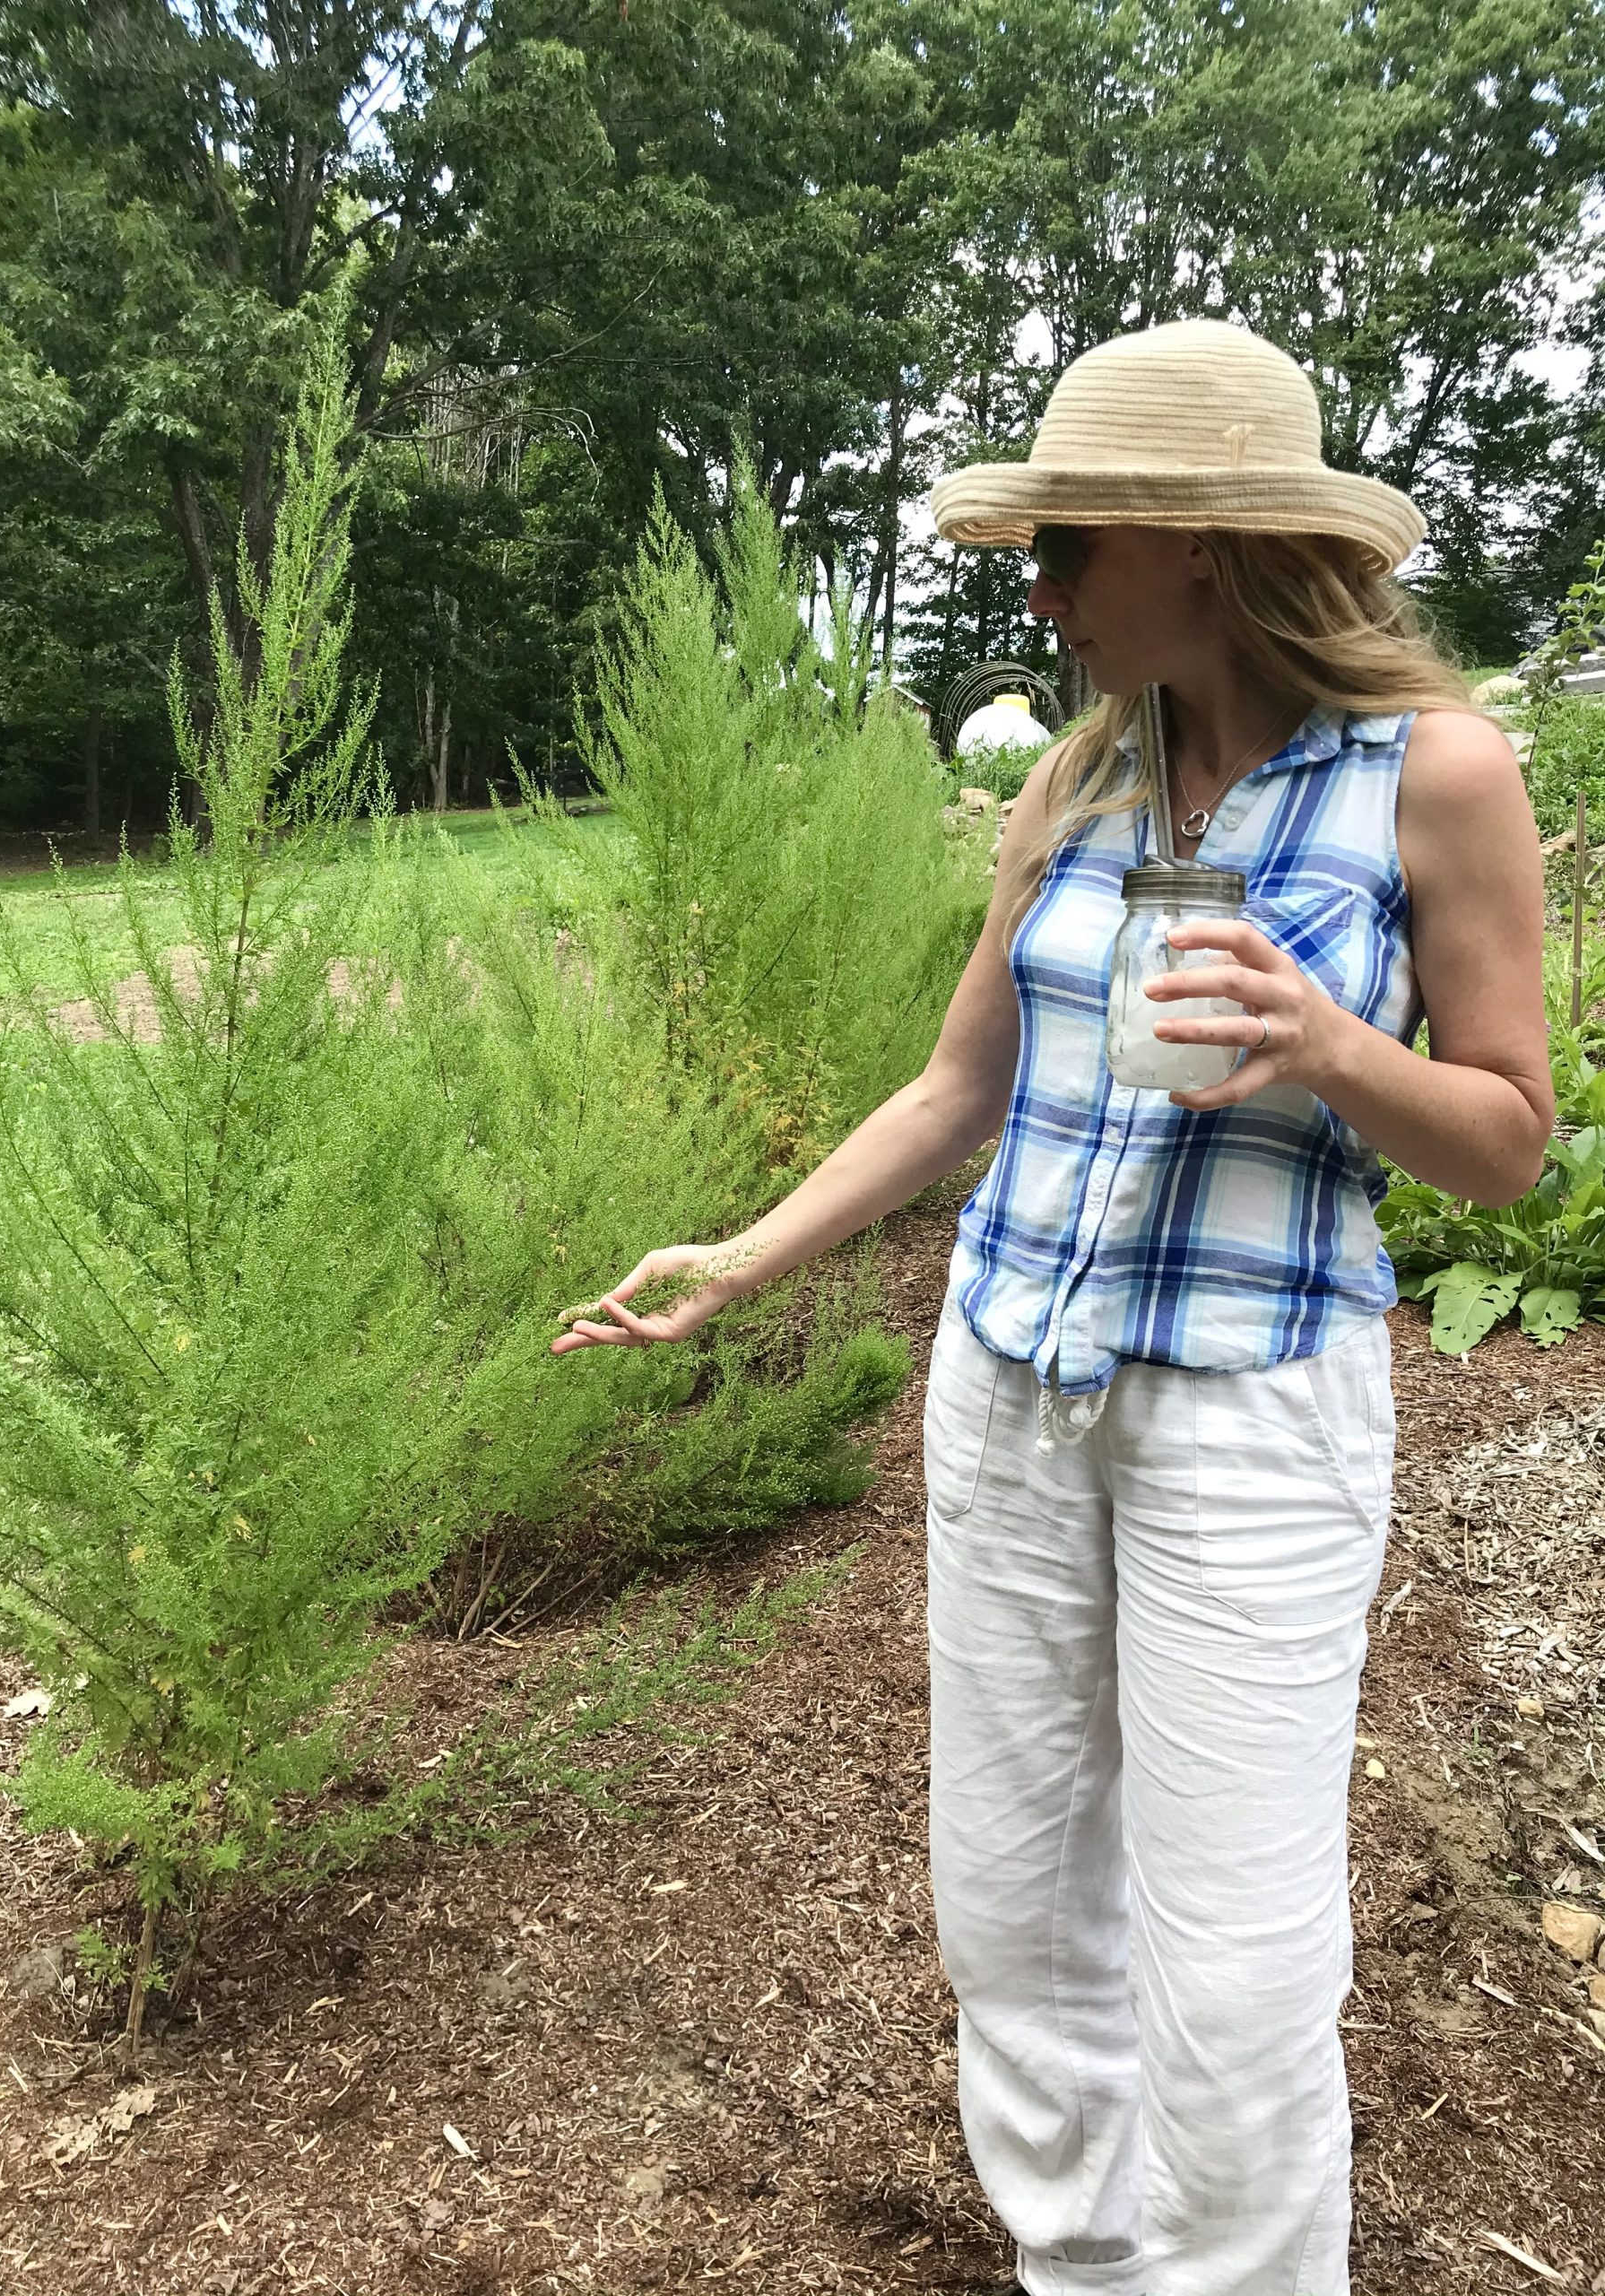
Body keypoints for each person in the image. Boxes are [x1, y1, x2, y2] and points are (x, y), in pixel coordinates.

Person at [551, 317, 1552, 2296]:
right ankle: (1079, 2261)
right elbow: (958, 1089)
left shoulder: (1433, 775)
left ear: (1199, 540)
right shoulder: (1077, 785)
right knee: (1011, 1913)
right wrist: (739, 1258)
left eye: (1066, 543)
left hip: (1250, 1415)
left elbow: (1512, 1139)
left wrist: (1329, 1044)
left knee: (1241, 1965)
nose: (1036, 585)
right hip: (1007, 1386)